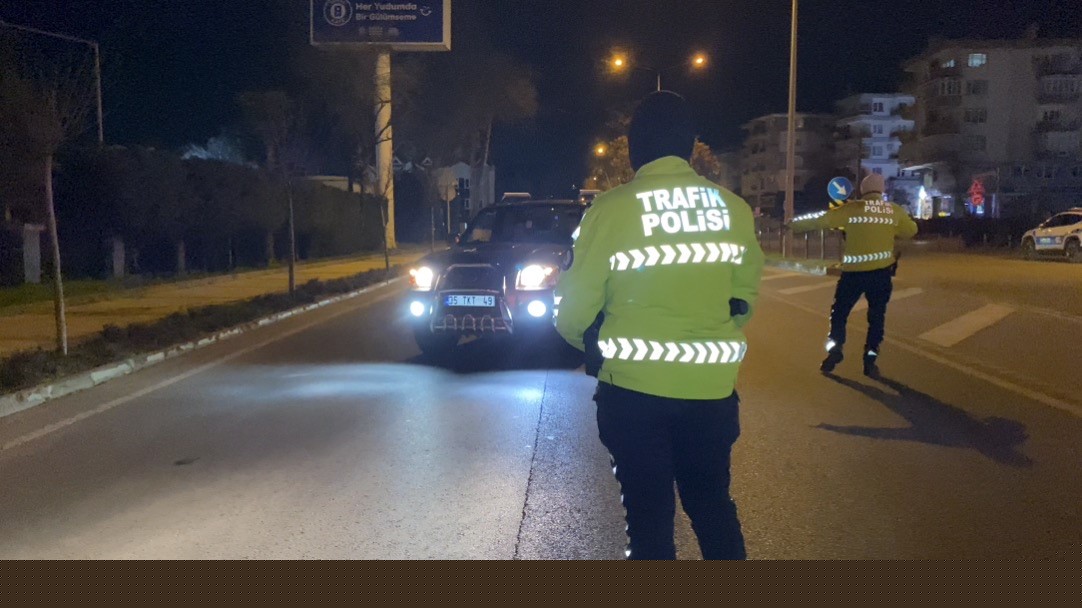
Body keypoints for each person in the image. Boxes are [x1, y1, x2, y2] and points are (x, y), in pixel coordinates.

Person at [554, 91, 765, 560]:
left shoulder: (609, 210)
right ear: (690, 146)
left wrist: (591, 343)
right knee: (712, 507)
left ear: (635, 147)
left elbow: (572, 314)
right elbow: (744, 296)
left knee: (649, 525)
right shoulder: (733, 210)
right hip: (711, 393)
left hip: (633, 397)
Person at [788, 173, 918, 378]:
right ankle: (870, 359)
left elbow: (821, 220)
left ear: (862, 191)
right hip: (881, 275)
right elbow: (911, 230)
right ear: (882, 190)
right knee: (876, 319)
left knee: (839, 314)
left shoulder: (851, 209)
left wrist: (793, 224)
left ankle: (835, 350)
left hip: (853, 276)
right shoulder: (893, 210)